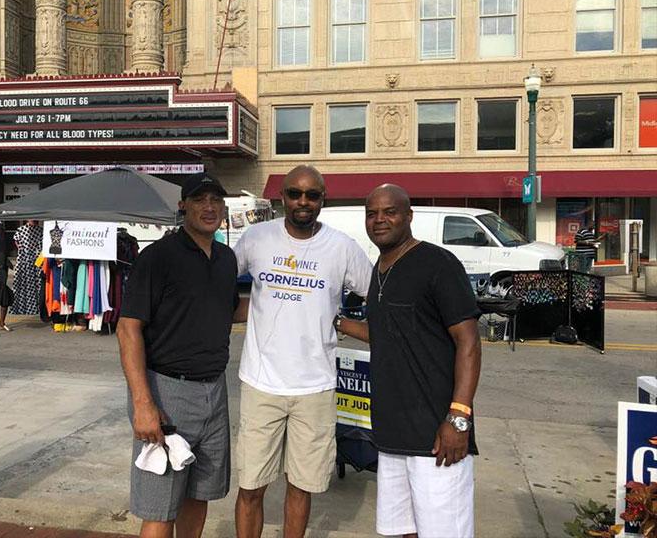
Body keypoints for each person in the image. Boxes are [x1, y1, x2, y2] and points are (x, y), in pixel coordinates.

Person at [233, 165, 373, 538]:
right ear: (283, 197)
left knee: (301, 486)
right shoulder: (257, 238)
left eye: (312, 195)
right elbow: (216, 283)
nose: (303, 201)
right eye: (295, 193)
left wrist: (343, 323)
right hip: (261, 385)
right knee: (251, 486)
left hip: (315, 389)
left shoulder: (342, 247)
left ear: (323, 199)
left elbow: (380, 296)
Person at [338, 184, 482, 538]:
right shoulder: (379, 269)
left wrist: (458, 418)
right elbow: (386, 333)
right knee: (404, 530)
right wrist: (336, 322)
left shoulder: (438, 264)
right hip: (392, 436)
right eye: (372, 213)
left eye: (390, 212)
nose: (379, 220)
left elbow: (468, 341)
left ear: (409, 216)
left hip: (437, 436)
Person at [117, 172, 246, 538]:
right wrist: (143, 404)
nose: (209, 207)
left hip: (214, 391)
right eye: (200, 199)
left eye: (216, 200)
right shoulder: (158, 257)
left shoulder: (225, 258)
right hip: (167, 392)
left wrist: (291, 300)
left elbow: (229, 309)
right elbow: (127, 329)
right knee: (160, 507)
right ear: (183, 206)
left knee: (199, 495)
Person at [11, 220, 43, 315]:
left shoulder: (40, 231)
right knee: (22, 284)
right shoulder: (21, 230)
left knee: (36, 285)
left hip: (36, 261)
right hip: (25, 260)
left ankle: (34, 307)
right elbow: (17, 242)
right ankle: (23, 307)